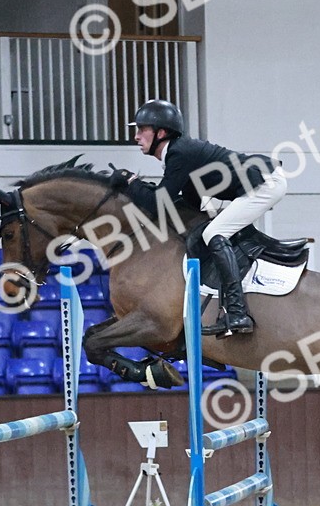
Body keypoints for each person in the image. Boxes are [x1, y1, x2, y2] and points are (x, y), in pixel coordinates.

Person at [115, 99, 287, 336]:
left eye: (142, 129)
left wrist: (131, 182)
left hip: (265, 183)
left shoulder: (179, 153)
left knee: (214, 232)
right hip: (257, 182)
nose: (136, 136)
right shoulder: (178, 154)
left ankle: (237, 313)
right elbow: (186, 202)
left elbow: (158, 203)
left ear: (161, 133)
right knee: (208, 231)